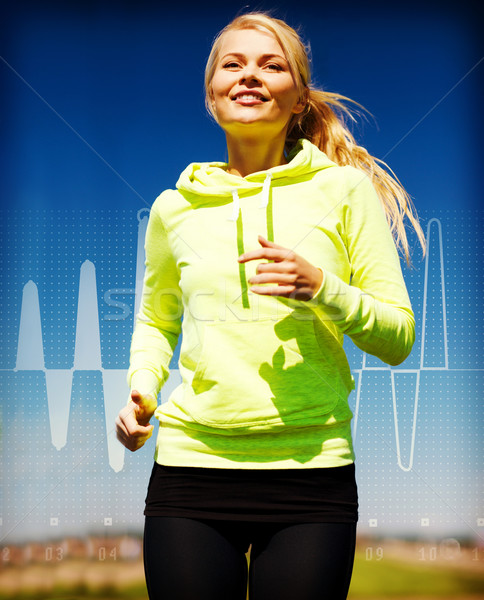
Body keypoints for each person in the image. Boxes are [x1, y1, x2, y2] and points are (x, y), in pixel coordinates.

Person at [115, 11, 425, 600]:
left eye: (271, 64)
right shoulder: (171, 209)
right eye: (232, 64)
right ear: (212, 93)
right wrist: (141, 390)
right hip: (190, 470)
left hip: (312, 474)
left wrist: (322, 289)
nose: (250, 75)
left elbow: (398, 337)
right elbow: (157, 321)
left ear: (299, 96)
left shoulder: (343, 191)